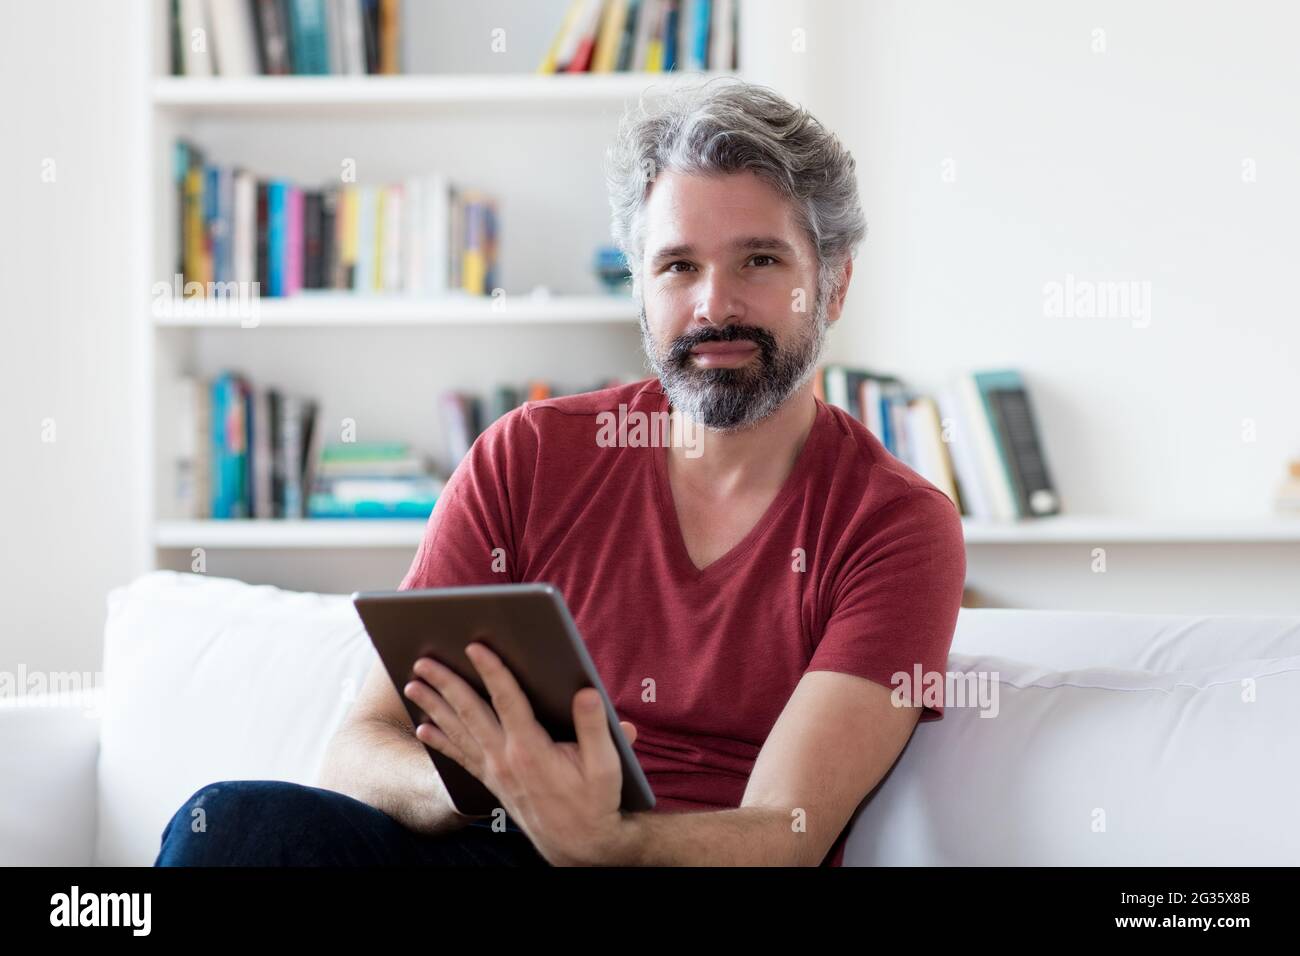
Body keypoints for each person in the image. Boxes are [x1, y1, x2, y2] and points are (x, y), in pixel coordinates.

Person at [156, 76, 965, 868]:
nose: (714, 305)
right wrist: (490, 787)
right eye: (677, 266)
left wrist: (604, 840)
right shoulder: (530, 456)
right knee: (230, 823)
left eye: (758, 260)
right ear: (640, 289)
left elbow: (787, 834)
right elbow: (360, 750)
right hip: (487, 847)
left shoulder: (896, 525)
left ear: (832, 285)